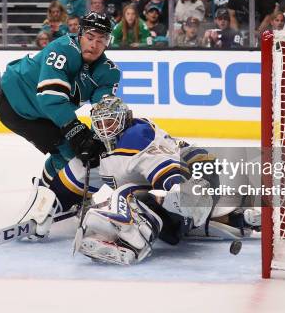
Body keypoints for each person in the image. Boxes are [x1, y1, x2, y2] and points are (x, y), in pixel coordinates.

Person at [58, 96, 260, 264]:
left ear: (123, 119)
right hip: (198, 181)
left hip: (195, 174)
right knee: (171, 218)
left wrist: (178, 189)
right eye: (99, 124)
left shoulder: (135, 135)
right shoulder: (125, 139)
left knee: (127, 193)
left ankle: (133, 244)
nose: (104, 129)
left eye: (109, 122)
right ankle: (239, 217)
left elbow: (162, 166)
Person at [0, 12, 120, 217]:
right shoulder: (62, 49)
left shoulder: (109, 72)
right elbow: (50, 98)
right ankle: (49, 201)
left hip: (50, 114)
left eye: (102, 40)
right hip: (17, 105)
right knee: (72, 154)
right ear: (79, 34)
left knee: (83, 154)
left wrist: (99, 136)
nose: (94, 45)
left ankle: (47, 191)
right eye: (90, 37)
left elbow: (103, 112)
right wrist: (76, 130)